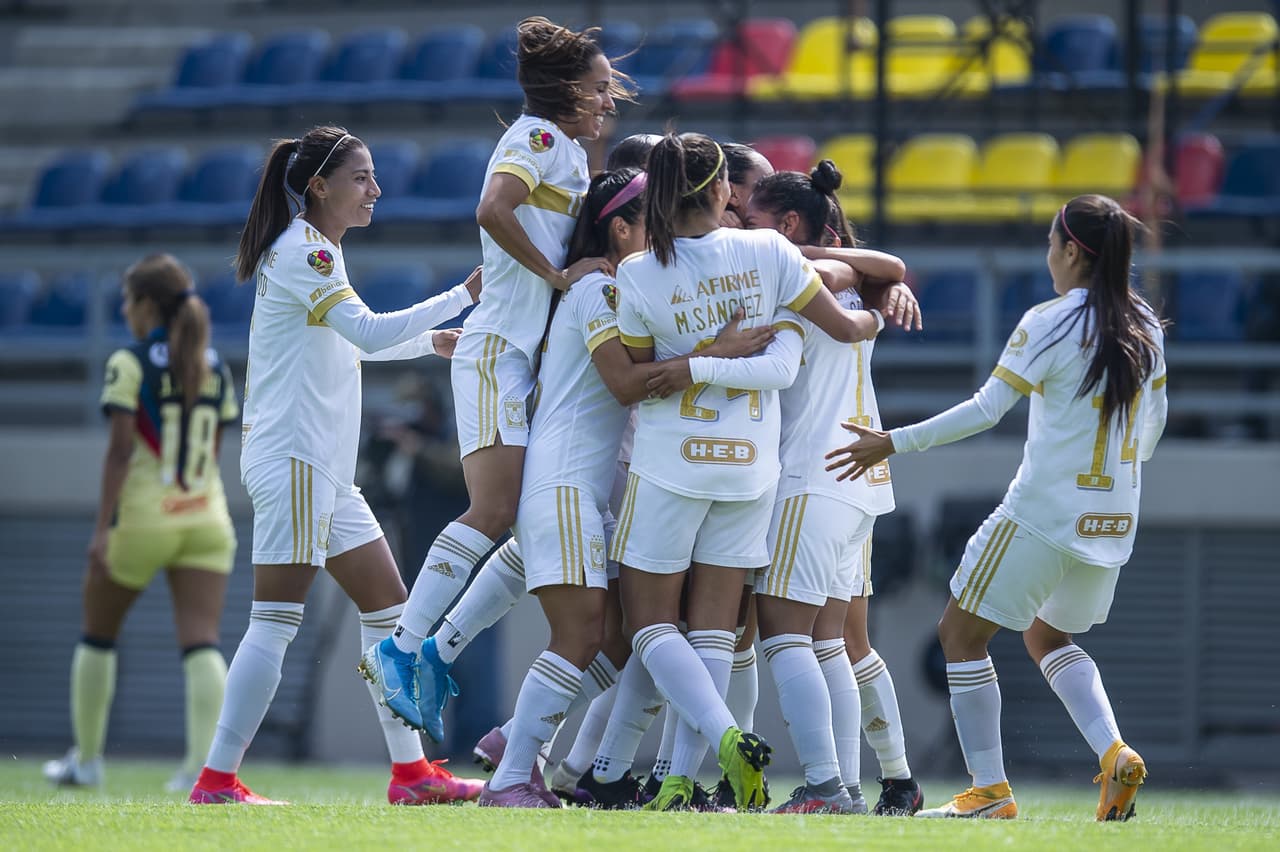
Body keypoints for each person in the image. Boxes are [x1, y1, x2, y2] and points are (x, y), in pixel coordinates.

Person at [827, 194, 1167, 821]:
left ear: (1071, 251)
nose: (1047, 256)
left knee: (960, 635)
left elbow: (986, 411)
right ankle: (1113, 751)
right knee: (1046, 633)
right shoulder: (1143, 323)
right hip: (1113, 520)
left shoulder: (1049, 321)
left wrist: (891, 442)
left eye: (1049, 244)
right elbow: (1150, 431)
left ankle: (989, 790)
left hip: (1043, 512)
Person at [188, 125, 481, 806]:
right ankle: (216, 780)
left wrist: (430, 342)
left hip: (320, 468)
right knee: (275, 621)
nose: (375, 190)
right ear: (319, 186)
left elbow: (358, 345)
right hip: (296, 461)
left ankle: (410, 777)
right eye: (361, 178)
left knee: (391, 612)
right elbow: (369, 331)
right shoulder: (307, 255)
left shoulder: (314, 253)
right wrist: (462, 293)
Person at [364, 17, 635, 741]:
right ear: (569, 90)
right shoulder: (538, 138)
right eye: (601, 87)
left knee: (516, 521)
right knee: (493, 509)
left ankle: (430, 648)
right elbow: (492, 209)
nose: (610, 97)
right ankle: (402, 647)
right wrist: (550, 274)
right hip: (499, 352)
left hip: (514, 353)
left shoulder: (565, 150)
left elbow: (514, 232)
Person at [609, 131, 883, 812]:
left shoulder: (639, 272)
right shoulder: (769, 251)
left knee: (650, 626)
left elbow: (640, 380)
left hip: (671, 463)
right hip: (751, 467)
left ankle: (721, 741)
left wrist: (696, 361)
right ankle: (679, 778)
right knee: (713, 632)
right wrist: (880, 311)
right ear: (722, 192)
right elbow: (838, 336)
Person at [736, 162, 924, 814]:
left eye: (749, 221)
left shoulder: (794, 277)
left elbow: (875, 267)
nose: (737, 231)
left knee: (786, 638)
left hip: (811, 477)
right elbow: (882, 267)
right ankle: (846, 785)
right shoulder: (844, 283)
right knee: (832, 644)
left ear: (786, 225)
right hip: (858, 485)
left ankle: (825, 786)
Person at [42, 255, 237, 793]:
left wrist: (103, 529)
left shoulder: (128, 362)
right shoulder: (212, 361)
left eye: (129, 300)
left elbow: (120, 453)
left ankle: (85, 762)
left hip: (145, 518)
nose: (124, 309)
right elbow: (216, 447)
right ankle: (201, 771)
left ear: (147, 305)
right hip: (206, 515)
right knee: (202, 642)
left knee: (98, 635)